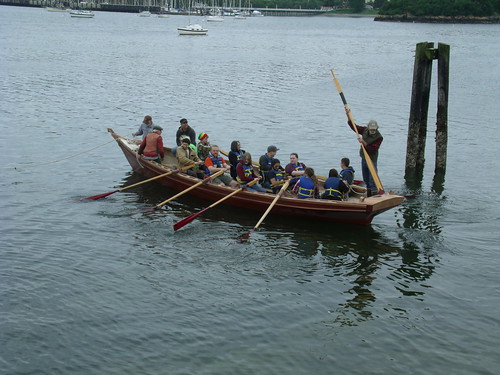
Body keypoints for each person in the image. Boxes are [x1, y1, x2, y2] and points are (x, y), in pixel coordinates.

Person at [348, 117, 383, 194]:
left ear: (376, 128)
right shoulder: (364, 130)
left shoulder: (379, 137)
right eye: (371, 129)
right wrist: (349, 118)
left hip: (372, 159)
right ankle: (368, 192)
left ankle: (374, 192)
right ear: (368, 127)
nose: (372, 131)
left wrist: (363, 141)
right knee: (366, 178)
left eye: (374, 129)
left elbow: (372, 149)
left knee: (372, 179)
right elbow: (355, 127)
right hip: (364, 157)